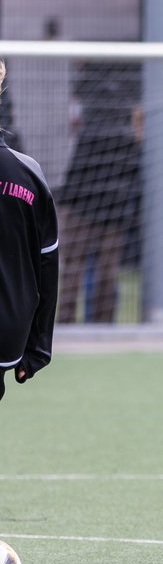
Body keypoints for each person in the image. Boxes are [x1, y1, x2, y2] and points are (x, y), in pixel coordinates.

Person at [56, 76, 141, 324]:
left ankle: (66, 321)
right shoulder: (128, 137)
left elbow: (75, 173)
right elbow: (133, 176)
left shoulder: (89, 133)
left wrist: (65, 203)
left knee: (72, 271)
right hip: (114, 217)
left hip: (80, 212)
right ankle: (104, 323)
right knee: (107, 274)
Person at [0, 59, 60, 401]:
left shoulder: (31, 173)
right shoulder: (28, 173)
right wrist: (40, 345)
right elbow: (47, 265)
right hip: (8, 332)